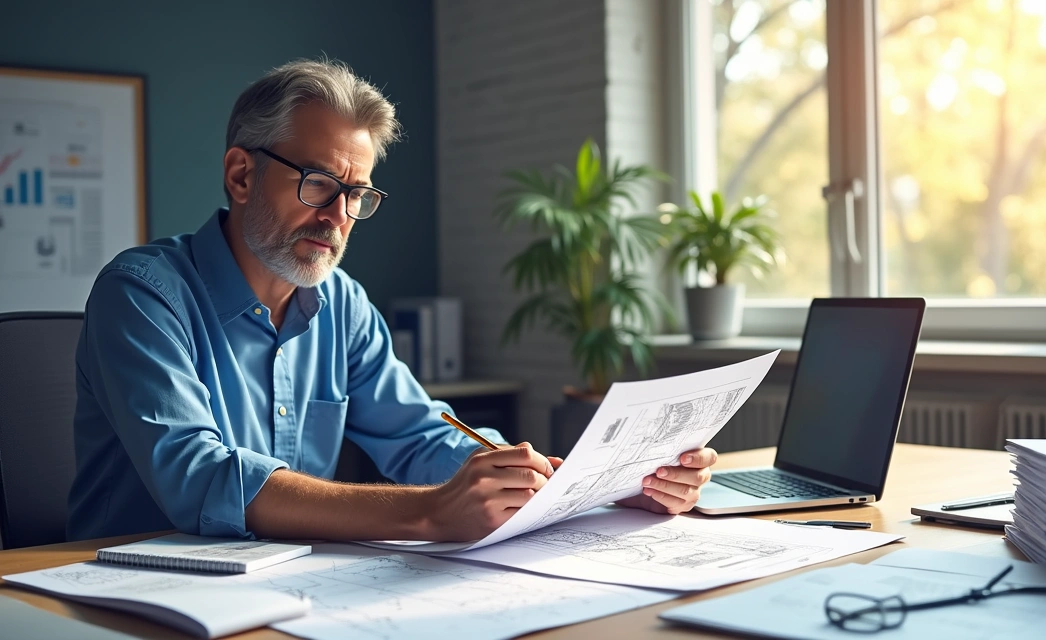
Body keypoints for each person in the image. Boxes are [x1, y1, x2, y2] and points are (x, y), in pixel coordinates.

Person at [65, 58, 717, 543]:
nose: (339, 217)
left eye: (359, 195)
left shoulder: (341, 303)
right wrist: (429, 513)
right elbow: (200, 477)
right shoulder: (143, 294)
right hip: (127, 596)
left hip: (280, 587)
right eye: (320, 184)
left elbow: (422, 434)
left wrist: (581, 486)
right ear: (241, 174)